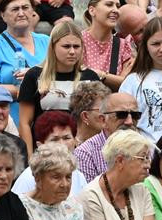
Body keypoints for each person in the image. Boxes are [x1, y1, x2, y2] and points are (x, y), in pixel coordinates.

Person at [18, 22, 102, 155]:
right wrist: (29, 158)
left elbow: (98, 120)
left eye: (76, 46)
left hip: (82, 151)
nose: (72, 51)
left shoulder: (90, 76)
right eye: (66, 46)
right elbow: (24, 123)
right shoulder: (34, 76)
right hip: (45, 150)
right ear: (52, 47)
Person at [0, 0, 50, 98]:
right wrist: (30, 84)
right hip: (10, 113)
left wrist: (35, 76)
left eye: (25, 8)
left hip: (46, 113)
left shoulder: (47, 41)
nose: (21, 13)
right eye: (15, 9)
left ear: (33, 11)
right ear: (3, 15)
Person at [11, 110, 84, 195]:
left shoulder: (79, 176)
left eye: (66, 138)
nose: (62, 144)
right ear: (40, 145)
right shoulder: (29, 178)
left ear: (75, 141)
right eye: (54, 139)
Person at [74, 91, 139, 182]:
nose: (130, 121)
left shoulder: (146, 149)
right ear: (103, 120)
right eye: (121, 115)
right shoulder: (85, 154)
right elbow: (88, 194)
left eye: (135, 115)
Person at [81, 0, 133, 90]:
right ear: (92, 10)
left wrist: (100, 74)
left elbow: (127, 84)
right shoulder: (78, 41)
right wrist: (113, 79)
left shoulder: (123, 45)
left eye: (118, 6)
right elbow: (76, 76)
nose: (115, 10)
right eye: (109, 5)